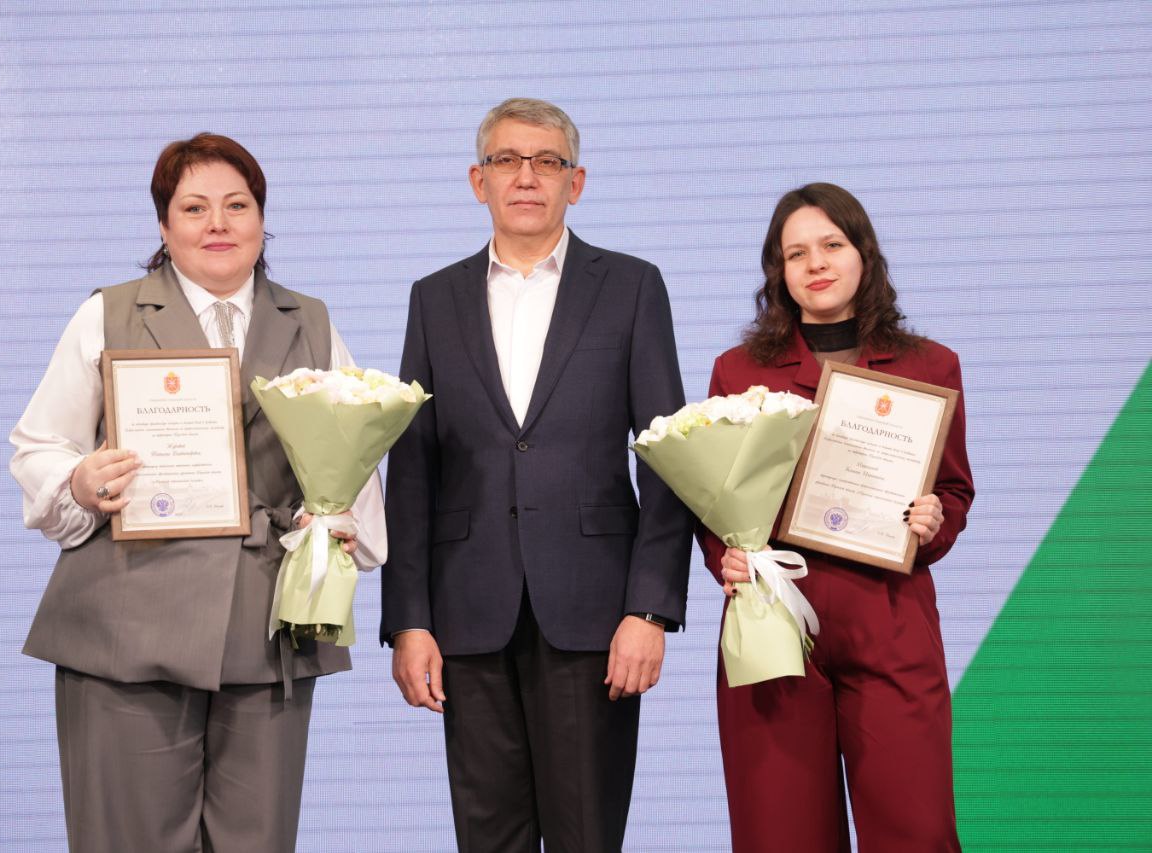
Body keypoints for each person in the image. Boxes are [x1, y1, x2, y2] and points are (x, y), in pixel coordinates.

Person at [10, 132, 386, 853]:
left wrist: (337, 522)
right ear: (163, 226)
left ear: (262, 221)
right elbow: (40, 445)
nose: (218, 223)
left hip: (267, 630)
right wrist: (79, 481)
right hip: (123, 629)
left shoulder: (311, 321)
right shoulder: (107, 314)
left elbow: (353, 453)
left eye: (237, 206)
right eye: (194, 208)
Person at [381, 98, 693, 852]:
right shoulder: (434, 297)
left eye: (547, 161)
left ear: (575, 183)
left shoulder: (631, 286)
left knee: (586, 834)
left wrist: (650, 610)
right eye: (507, 161)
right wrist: (409, 621)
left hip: (596, 616)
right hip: (468, 614)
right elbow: (413, 469)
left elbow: (670, 458)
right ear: (478, 180)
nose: (527, 176)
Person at [700, 182, 974, 852]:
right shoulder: (738, 371)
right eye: (796, 253)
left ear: (863, 254)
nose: (816, 263)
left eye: (832, 245)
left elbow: (954, 489)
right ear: (778, 271)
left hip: (891, 619)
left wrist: (934, 519)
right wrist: (723, 556)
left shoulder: (930, 365)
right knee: (780, 836)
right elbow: (712, 500)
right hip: (775, 619)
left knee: (916, 833)